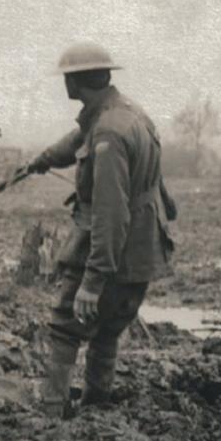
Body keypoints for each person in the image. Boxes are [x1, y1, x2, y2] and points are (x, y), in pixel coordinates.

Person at [27, 42, 176, 417]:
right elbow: (78, 139)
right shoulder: (124, 112)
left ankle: (49, 411)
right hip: (141, 249)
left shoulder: (108, 131)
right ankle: (96, 403)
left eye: (67, 78)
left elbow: (110, 214)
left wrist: (93, 282)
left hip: (112, 248)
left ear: (75, 82)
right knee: (108, 328)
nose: (64, 84)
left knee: (66, 324)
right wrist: (43, 160)